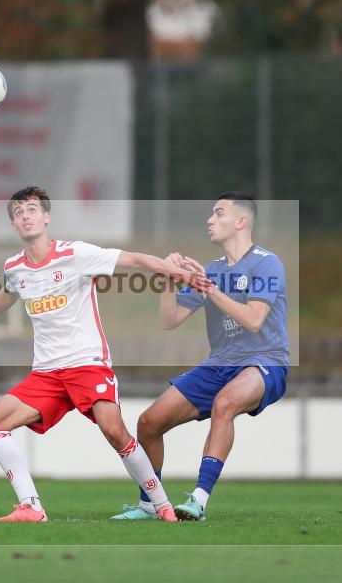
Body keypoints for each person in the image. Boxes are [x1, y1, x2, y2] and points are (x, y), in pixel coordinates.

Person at [0, 186, 208, 523]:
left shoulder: (76, 254)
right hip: (47, 373)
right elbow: (10, 291)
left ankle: (161, 505)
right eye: (18, 213)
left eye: (31, 210)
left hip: (88, 364)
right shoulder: (14, 267)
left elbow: (135, 259)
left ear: (46, 216)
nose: (25, 217)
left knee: (114, 431)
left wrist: (183, 275)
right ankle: (31, 506)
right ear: (13, 225)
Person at [111, 191, 289, 521]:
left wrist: (209, 288)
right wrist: (168, 277)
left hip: (265, 361)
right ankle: (151, 504)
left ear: (241, 221)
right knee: (149, 423)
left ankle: (199, 500)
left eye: (218, 213)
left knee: (225, 404)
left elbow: (253, 319)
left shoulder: (267, 263)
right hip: (220, 363)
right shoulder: (212, 270)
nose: (210, 220)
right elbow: (170, 319)